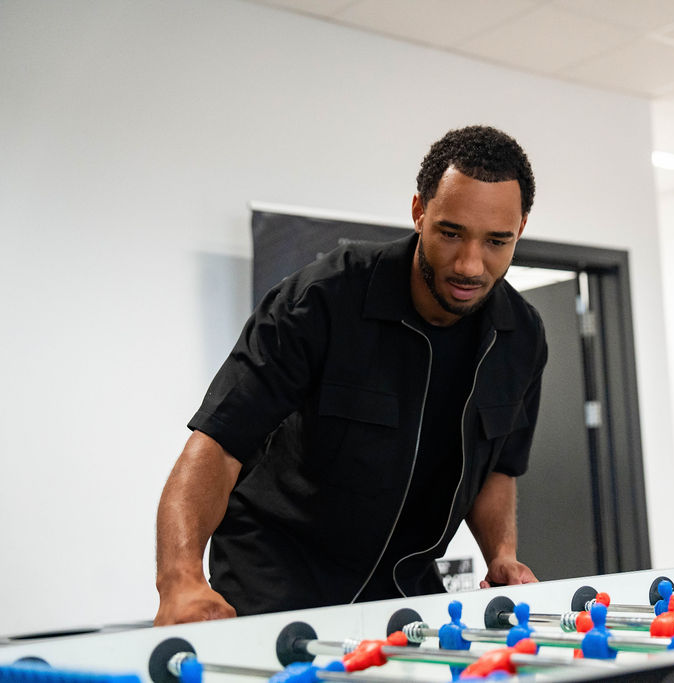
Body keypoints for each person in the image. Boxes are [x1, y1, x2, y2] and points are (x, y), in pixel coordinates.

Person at [154, 125, 547, 624]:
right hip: (279, 578)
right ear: (418, 211)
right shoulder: (323, 298)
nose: (471, 264)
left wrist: (501, 556)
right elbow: (219, 444)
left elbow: (497, 468)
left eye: (496, 241)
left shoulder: (521, 336)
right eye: (451, 233)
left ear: (521, 229)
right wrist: (182, 580)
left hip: (405, 588)